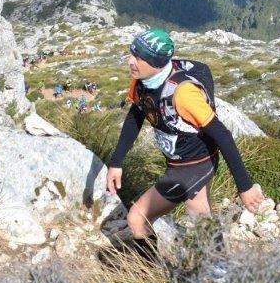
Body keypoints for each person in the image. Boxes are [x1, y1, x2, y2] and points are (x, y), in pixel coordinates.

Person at [106, 28, 265, 258]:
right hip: (177, 164)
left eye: (138, 57)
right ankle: (198, 270)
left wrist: (245, 187)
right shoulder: (141, 83)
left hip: (198, 163)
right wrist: (116, 162)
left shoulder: (183, 94)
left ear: (157, 63)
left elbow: (223, 136)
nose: (131, 61)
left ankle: (213, 274)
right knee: (161, 219)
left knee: (178, 214)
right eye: (132, 54)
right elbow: (136, 116)